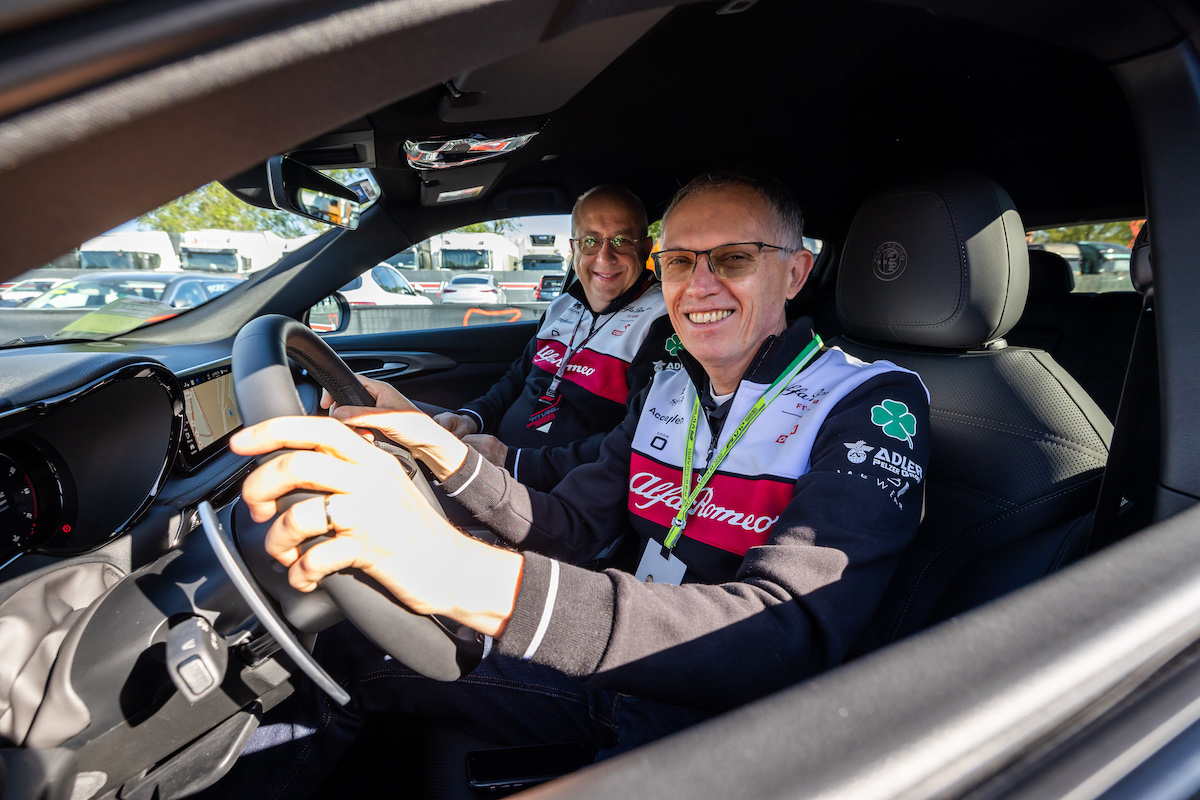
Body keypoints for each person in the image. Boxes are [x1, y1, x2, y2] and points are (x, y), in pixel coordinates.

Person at [218, 170, 930, 798]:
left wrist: (461, 572)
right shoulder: (672, 385)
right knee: (348, 642)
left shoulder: (871, 402)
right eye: (679, 261)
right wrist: (443, 450)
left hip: (730, 717)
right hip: (617, 668)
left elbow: (785, 632)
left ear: (797, 274)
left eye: (734, 259)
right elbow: (574, 521)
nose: (699, 285)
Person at [436, 185, 677, 491]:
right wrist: (472, 418)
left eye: (620, 240)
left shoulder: (661, 320)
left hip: (560, 494)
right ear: (574, 248)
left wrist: (513, 461)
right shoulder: (562, 305)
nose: (605, 256)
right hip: (497, 470)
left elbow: (636, 439)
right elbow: (516, 379)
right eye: (590, 241)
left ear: (645, 248)